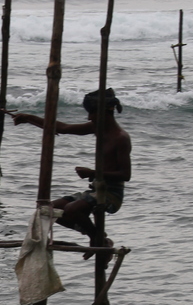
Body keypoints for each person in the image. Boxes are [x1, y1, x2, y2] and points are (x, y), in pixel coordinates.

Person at [13, 88, 130, 255]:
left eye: (92, 114)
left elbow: (126, 175)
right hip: (96, 189)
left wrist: (92, 173)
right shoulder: (97, 128)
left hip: (112, 194)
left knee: (72, 210)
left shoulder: (120, 138)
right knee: (50, 209)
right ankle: (98, 237)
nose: (89, 118)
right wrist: (28, 118)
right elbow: (62, 127)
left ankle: (97, 239)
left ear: (105, 113)